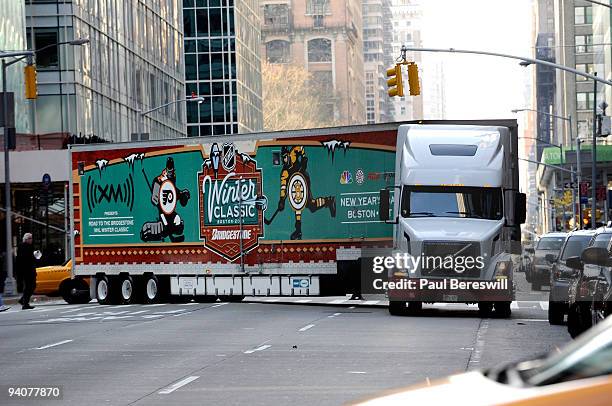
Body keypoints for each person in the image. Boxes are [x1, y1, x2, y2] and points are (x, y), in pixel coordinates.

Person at [16, 233, 38, 310]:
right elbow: (23, 259)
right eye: (30, 238)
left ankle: (23, 301)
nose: (31, 240)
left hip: (30, 269)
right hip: (26, 270)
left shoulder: (29, 246)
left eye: (31, 238)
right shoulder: (23, 246)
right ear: (26, 239)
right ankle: (25, 303)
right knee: (29, 286)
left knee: (32, 286)